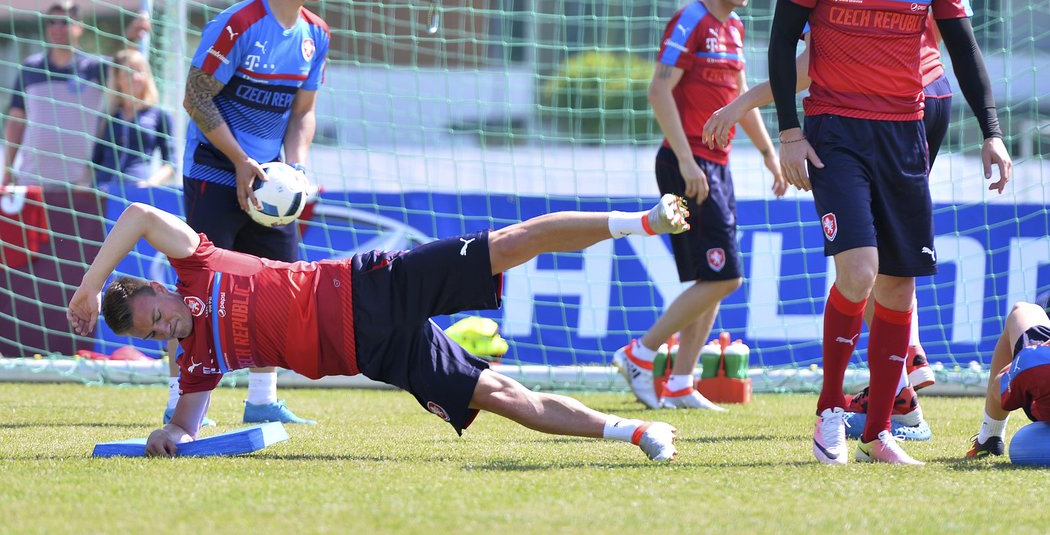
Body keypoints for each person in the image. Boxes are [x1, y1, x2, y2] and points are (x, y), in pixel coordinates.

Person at [65, 196, 691, 461]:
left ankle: (639, 221)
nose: (166, 329)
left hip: (370, 284)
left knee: (509, 244)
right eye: (154, 336)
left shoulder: (196, 263)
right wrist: (164, 433)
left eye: (156, 316)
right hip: (382, 351)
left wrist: (91, 285)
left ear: (155, 288)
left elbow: (142, 214)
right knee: (503, 399)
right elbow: (185, 427)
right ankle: (639, 431)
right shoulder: (196, 360)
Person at [768, 0, 1012, 465]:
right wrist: (789, 132)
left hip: (904, 132)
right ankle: (829, 416)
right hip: (835, 132)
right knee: (858, 271)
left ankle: (877, 433)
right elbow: (781, 40)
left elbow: (963, 50)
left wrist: (991, 132)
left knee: (899, 289)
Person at [702, 0, 946, 434]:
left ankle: (898, 384)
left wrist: (747, 108)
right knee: (882, 262)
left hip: (895, 109)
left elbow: (811, 63)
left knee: (879, 260)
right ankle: (897, 385)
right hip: (922, 100)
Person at [168, 0, 334, 426]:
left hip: (272, 191)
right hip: (215, 174)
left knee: (279, 289)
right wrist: (242, 161)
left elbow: (302, 112)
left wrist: (296, 168)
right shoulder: (237, 25)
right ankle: (180, 398)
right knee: (203, 291)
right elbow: (195, 98)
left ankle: (261, 399)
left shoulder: (317, 35)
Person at [612, 0, 786, 410]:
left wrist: (770, 153)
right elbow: (658, 91)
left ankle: (682, 382)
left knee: (712, 277)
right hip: (686, 165)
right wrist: (688, 160)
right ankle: (642, 352)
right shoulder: (690, 20)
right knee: (726, 277)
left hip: (717, 166)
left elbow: (740, 96)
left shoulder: (734, 28)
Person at [1, 0, 107, 190]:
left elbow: (128, 72)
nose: (57, 28)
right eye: (52, 22)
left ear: (79, 27)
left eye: (65, 22)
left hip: (79, 184)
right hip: (32, 180)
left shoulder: (96, 68)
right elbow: (16, 120)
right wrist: (8, 171)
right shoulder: (30, 68)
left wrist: (131, 40)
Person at [967, 302, 1050, 458]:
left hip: (1041, 377)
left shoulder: (1035, 362)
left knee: (1022, 310)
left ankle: (990, 436)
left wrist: (1018, 365)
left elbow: (998, 387)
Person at [91, 48, 175, 193]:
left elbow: (171, 163)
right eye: (128, 72)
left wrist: (150, 183)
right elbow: (95, 161)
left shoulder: (159, 114)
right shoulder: (108, 116)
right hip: (103, 192)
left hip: (138, 193)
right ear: (117, 78)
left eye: (140, 71)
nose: (135, 77)